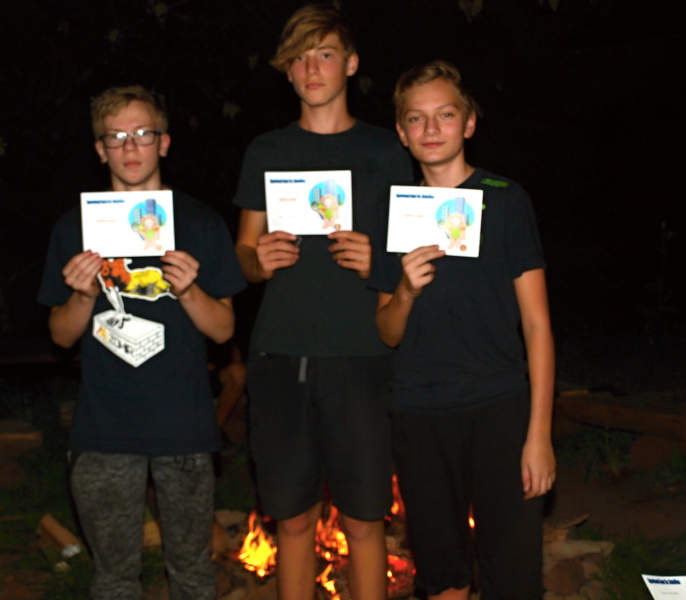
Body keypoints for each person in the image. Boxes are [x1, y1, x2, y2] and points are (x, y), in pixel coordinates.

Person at [37, 85, 246, 600]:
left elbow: (223, 330)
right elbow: (60, 335)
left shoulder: (200, 223)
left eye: (143, 134)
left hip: (185, 428)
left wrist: (189, 289)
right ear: (100, 149)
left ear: (164, 142)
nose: (130, 147)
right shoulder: (73, 228)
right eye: (116, 136)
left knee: (192, 576)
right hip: (104, 429)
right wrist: (83, 295)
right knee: (114, 579)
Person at [232, 5, 412, 600]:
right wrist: (259, 258)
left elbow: (413, 258)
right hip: (280, 355)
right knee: (292, 521)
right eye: (300, 58)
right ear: (287, 71)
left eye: (326, 54)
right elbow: (243, 256)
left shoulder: (386, 151)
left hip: (362, 355)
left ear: (351, 64)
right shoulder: (266, 150)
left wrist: (376, 259)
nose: (312, 69)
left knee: (364, 521)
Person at [370, 60, 556, 600]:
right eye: (416, 118)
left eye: (445, 115)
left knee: (513, 577)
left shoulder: (506, 199)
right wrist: (405, 290)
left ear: (469, 123)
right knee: (443, 577)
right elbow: (386, 332)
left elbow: (537, 324)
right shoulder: (394, 211)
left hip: (500, 409)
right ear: (402, 132)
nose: (431, 129)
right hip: (420, 412)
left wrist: (539, 434)